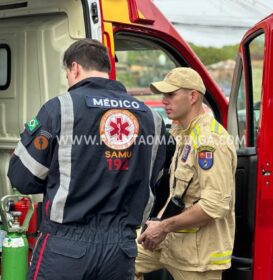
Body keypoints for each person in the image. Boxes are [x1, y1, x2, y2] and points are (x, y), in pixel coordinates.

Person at [7, 39, 166, 280]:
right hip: (121, 249)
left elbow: (23, 178)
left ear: (75, 68)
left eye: (68, 74)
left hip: (67, 247)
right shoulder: (152, 118)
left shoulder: (60, 108)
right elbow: (154, 180)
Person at [135, 67, 237, 280]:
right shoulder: (186, 134)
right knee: (122, 257)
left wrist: (163, 227)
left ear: (193, 96)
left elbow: (213, 205)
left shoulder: (210, 141)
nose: (164, 101)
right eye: (163, 95)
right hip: (173, 241)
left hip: (199, 256)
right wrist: (157, 224)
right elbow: (178, 193)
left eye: (171, 95)